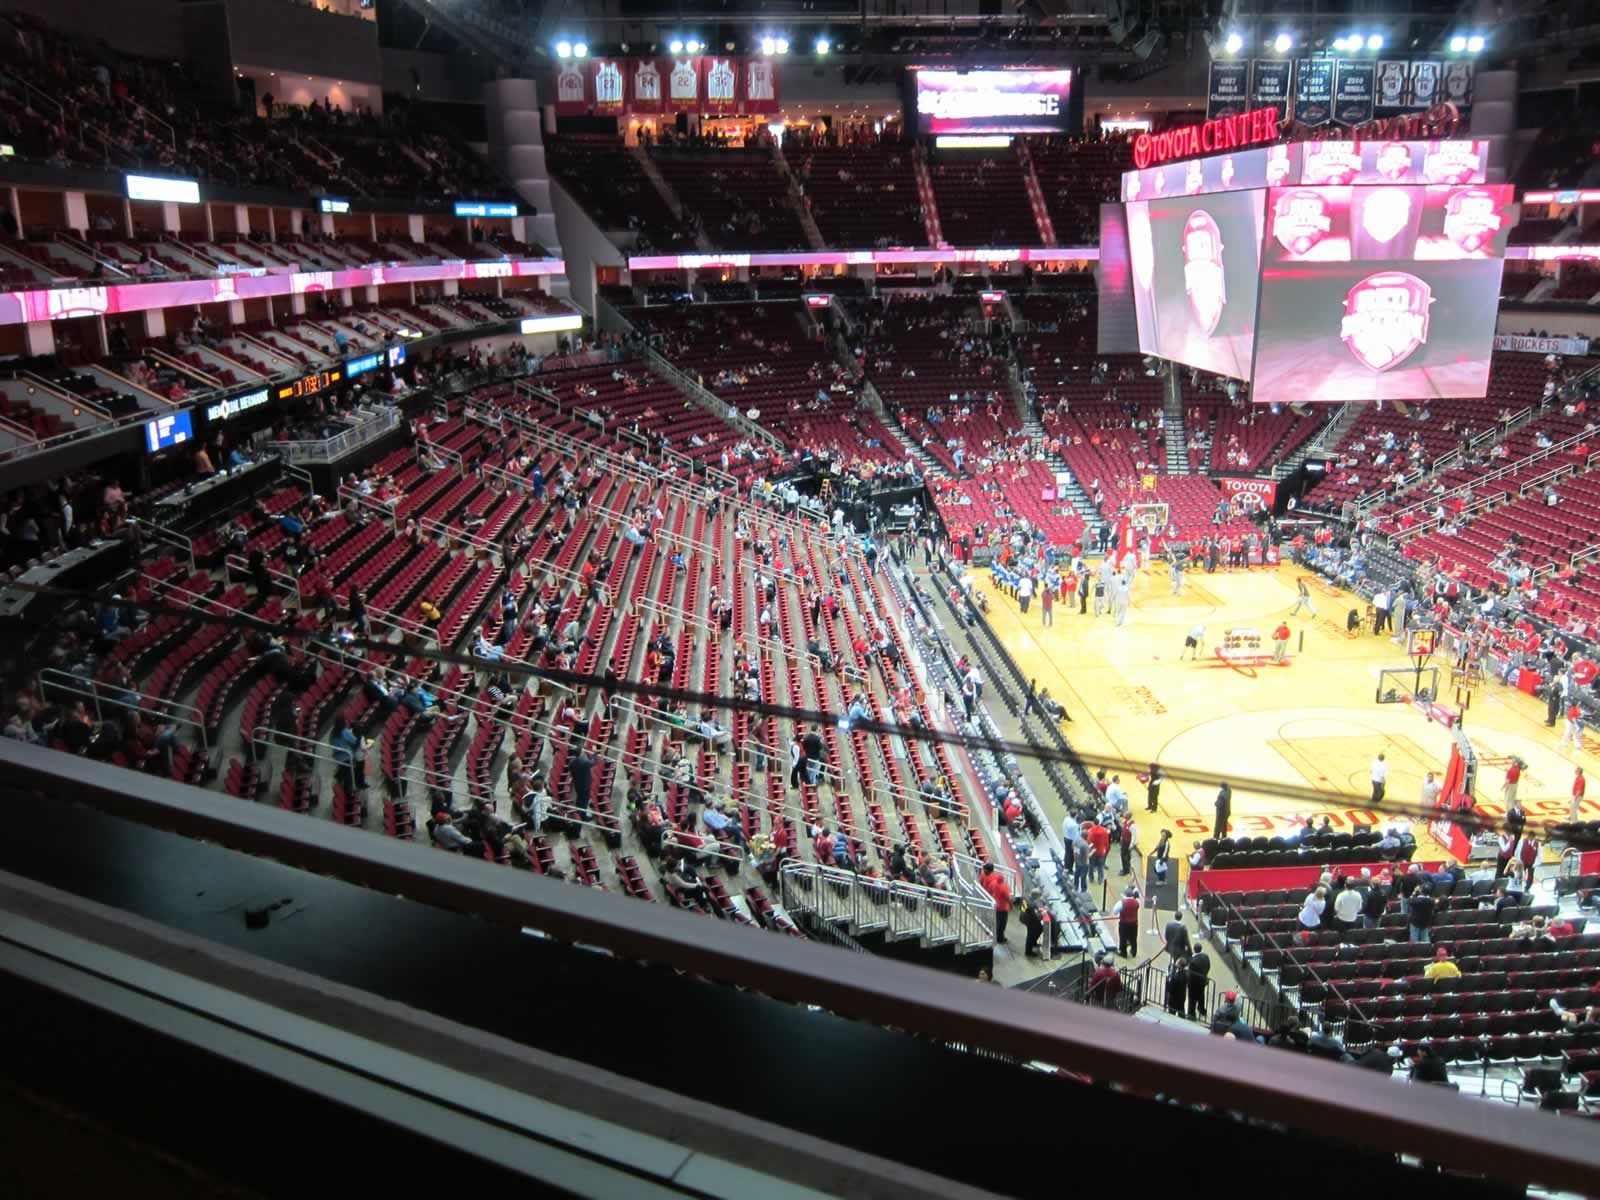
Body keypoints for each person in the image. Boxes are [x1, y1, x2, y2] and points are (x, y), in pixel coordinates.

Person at [979, 861, 1012, 943]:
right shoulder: (1004, 887)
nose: (984, 870)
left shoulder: (993, 882)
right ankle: (999, 938)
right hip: (1001, 907)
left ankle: (991, 931)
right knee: (1001, 924)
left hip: (990, 901)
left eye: (986, 869)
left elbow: (988, 889)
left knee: (995, 920)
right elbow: (1008, 898)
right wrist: (1011, 905)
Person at [1186, 942, 1211, 1019]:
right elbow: (1209, 967)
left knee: (1192, 999)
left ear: (1194, 949)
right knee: (1201, 996)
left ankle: (1191, 1014)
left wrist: (1187, 982)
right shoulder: (1206, 956)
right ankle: (1202, 1009)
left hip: (1193, 984)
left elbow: (1190, 974)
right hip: (1203, 981)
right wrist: (1204, 975)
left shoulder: (1192, 960)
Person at [1115, 885, 1140, 957]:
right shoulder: (1137, 901)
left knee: (1123, 938)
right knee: (1133, 938)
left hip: (1124, 923)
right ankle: (1134, 952)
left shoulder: (1121, 903)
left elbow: (1115, 912)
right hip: (1134, 923)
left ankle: (1123, 953)